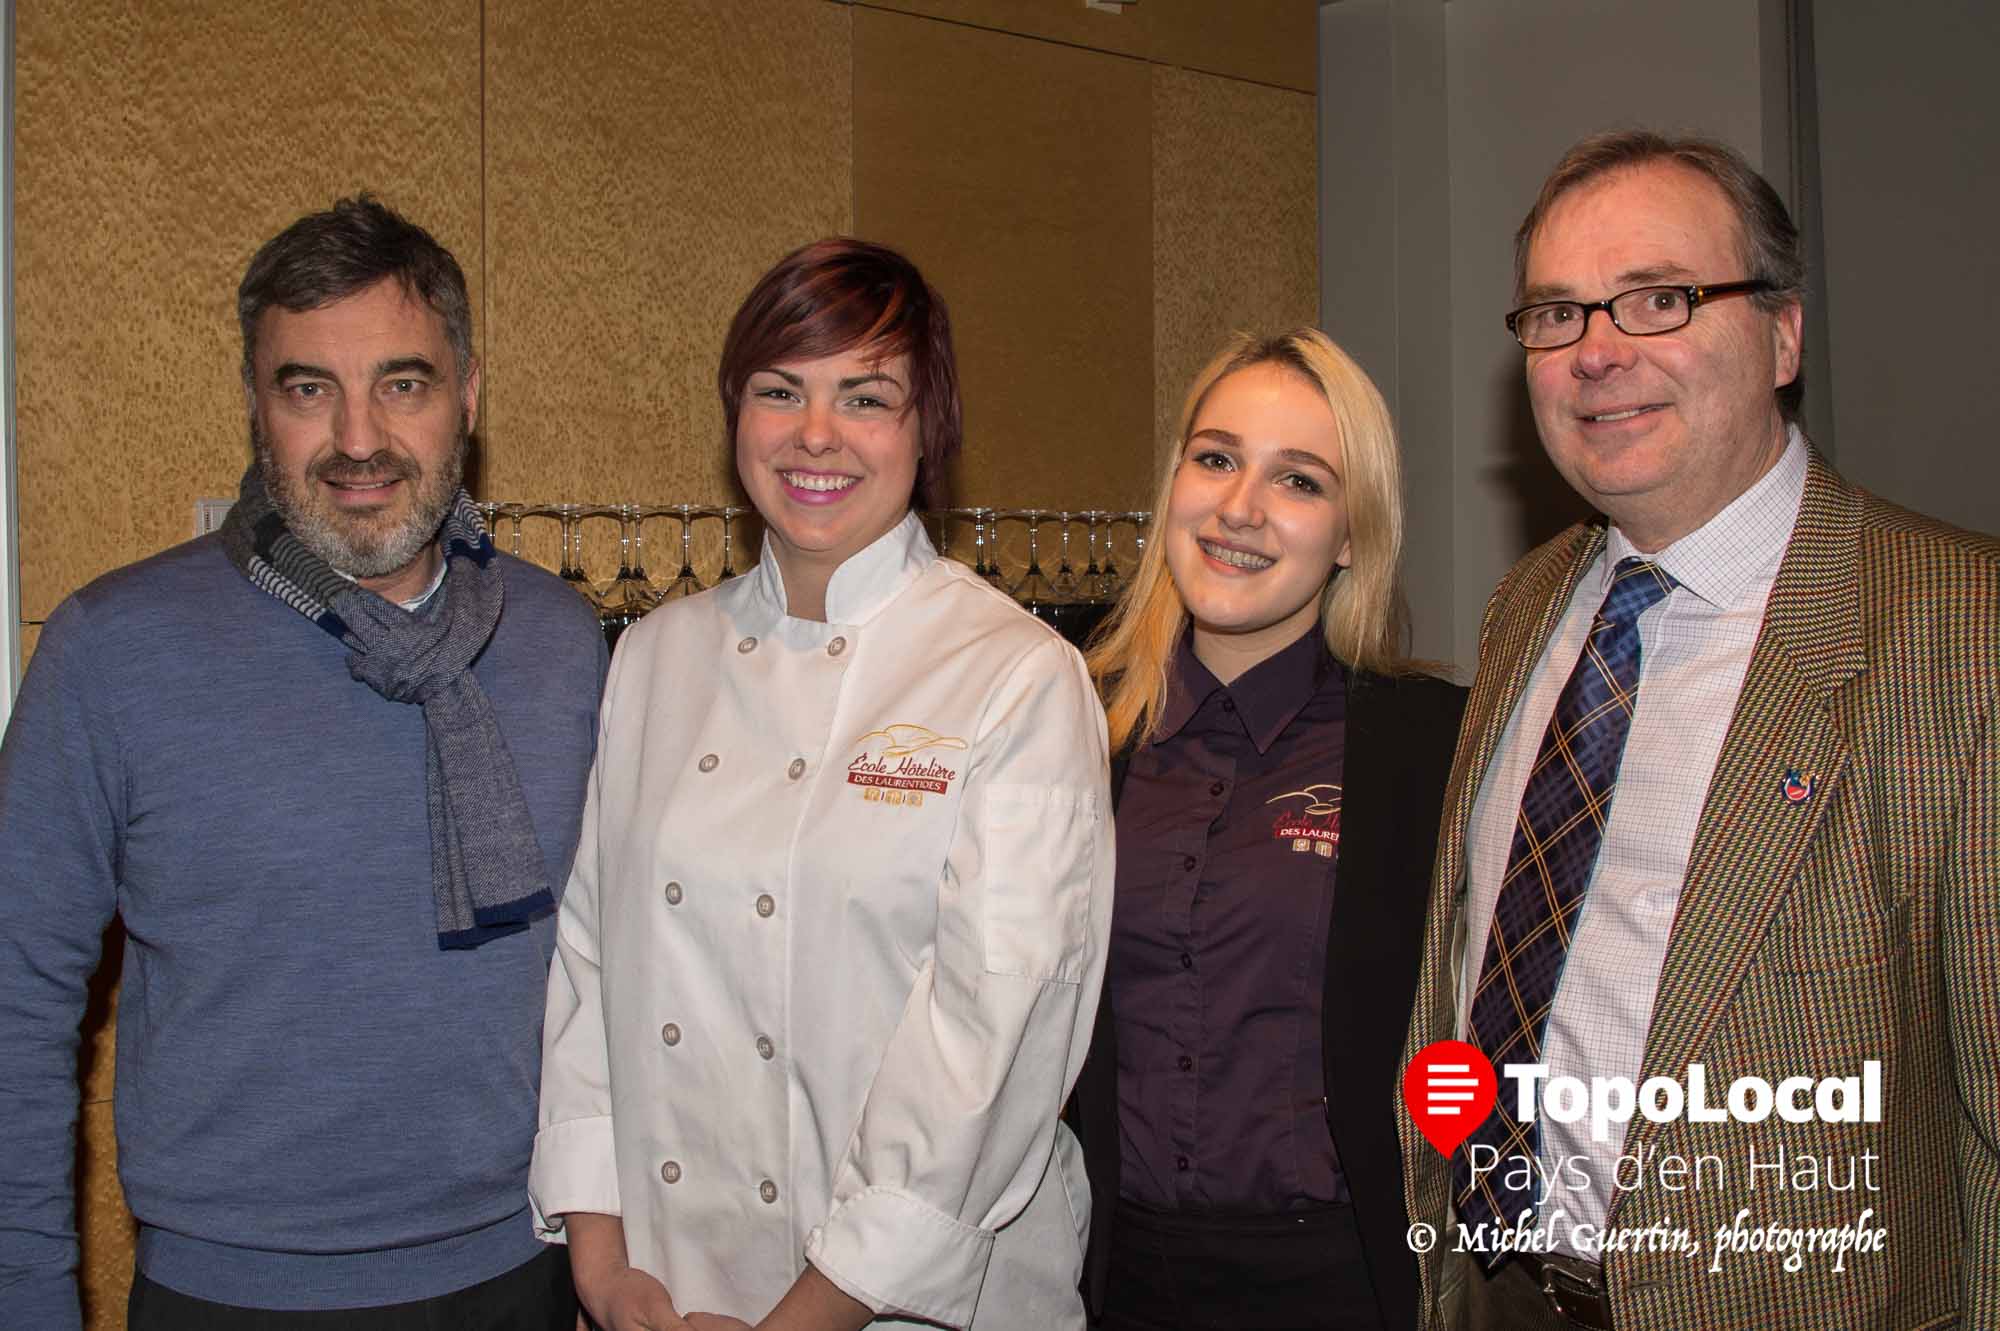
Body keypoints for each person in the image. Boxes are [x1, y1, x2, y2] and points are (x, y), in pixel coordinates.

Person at [1399, 130, 2000, 1330]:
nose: (1596, 353)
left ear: (1780, 335)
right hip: (1491, 1288)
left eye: (1656, 298)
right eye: (1556, 314)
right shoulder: (1527, 605)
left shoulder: (1956, 631)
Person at [0, 197, 605, 1330]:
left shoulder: (562, 643)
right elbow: (11, 999)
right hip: (230, 1295)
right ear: (255, 408)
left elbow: (620, 983)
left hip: (526, 1272)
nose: (360, 438)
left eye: (403, 382)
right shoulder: (113, 649)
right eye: (307, 387)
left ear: (467, 399)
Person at [529, 237, 1114, 1331]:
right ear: (733, 415)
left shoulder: (1014, 675)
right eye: (779, 390)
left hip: (901, 1305)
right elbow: (590, 963)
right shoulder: (653, 654)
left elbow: (986, 1048)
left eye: (865, 395)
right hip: (661, 1289)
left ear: (926, 427)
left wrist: (804, 1318)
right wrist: (603, 1263)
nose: (814, 434)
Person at [1066, 329, 1465, 1331]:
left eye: (1296, 479)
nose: (1238, 506)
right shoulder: (1065, 730)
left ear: (1348, 535)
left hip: (1344, 1282)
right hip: (1102, 1278)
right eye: (1214, 458)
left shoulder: (1434, 749)